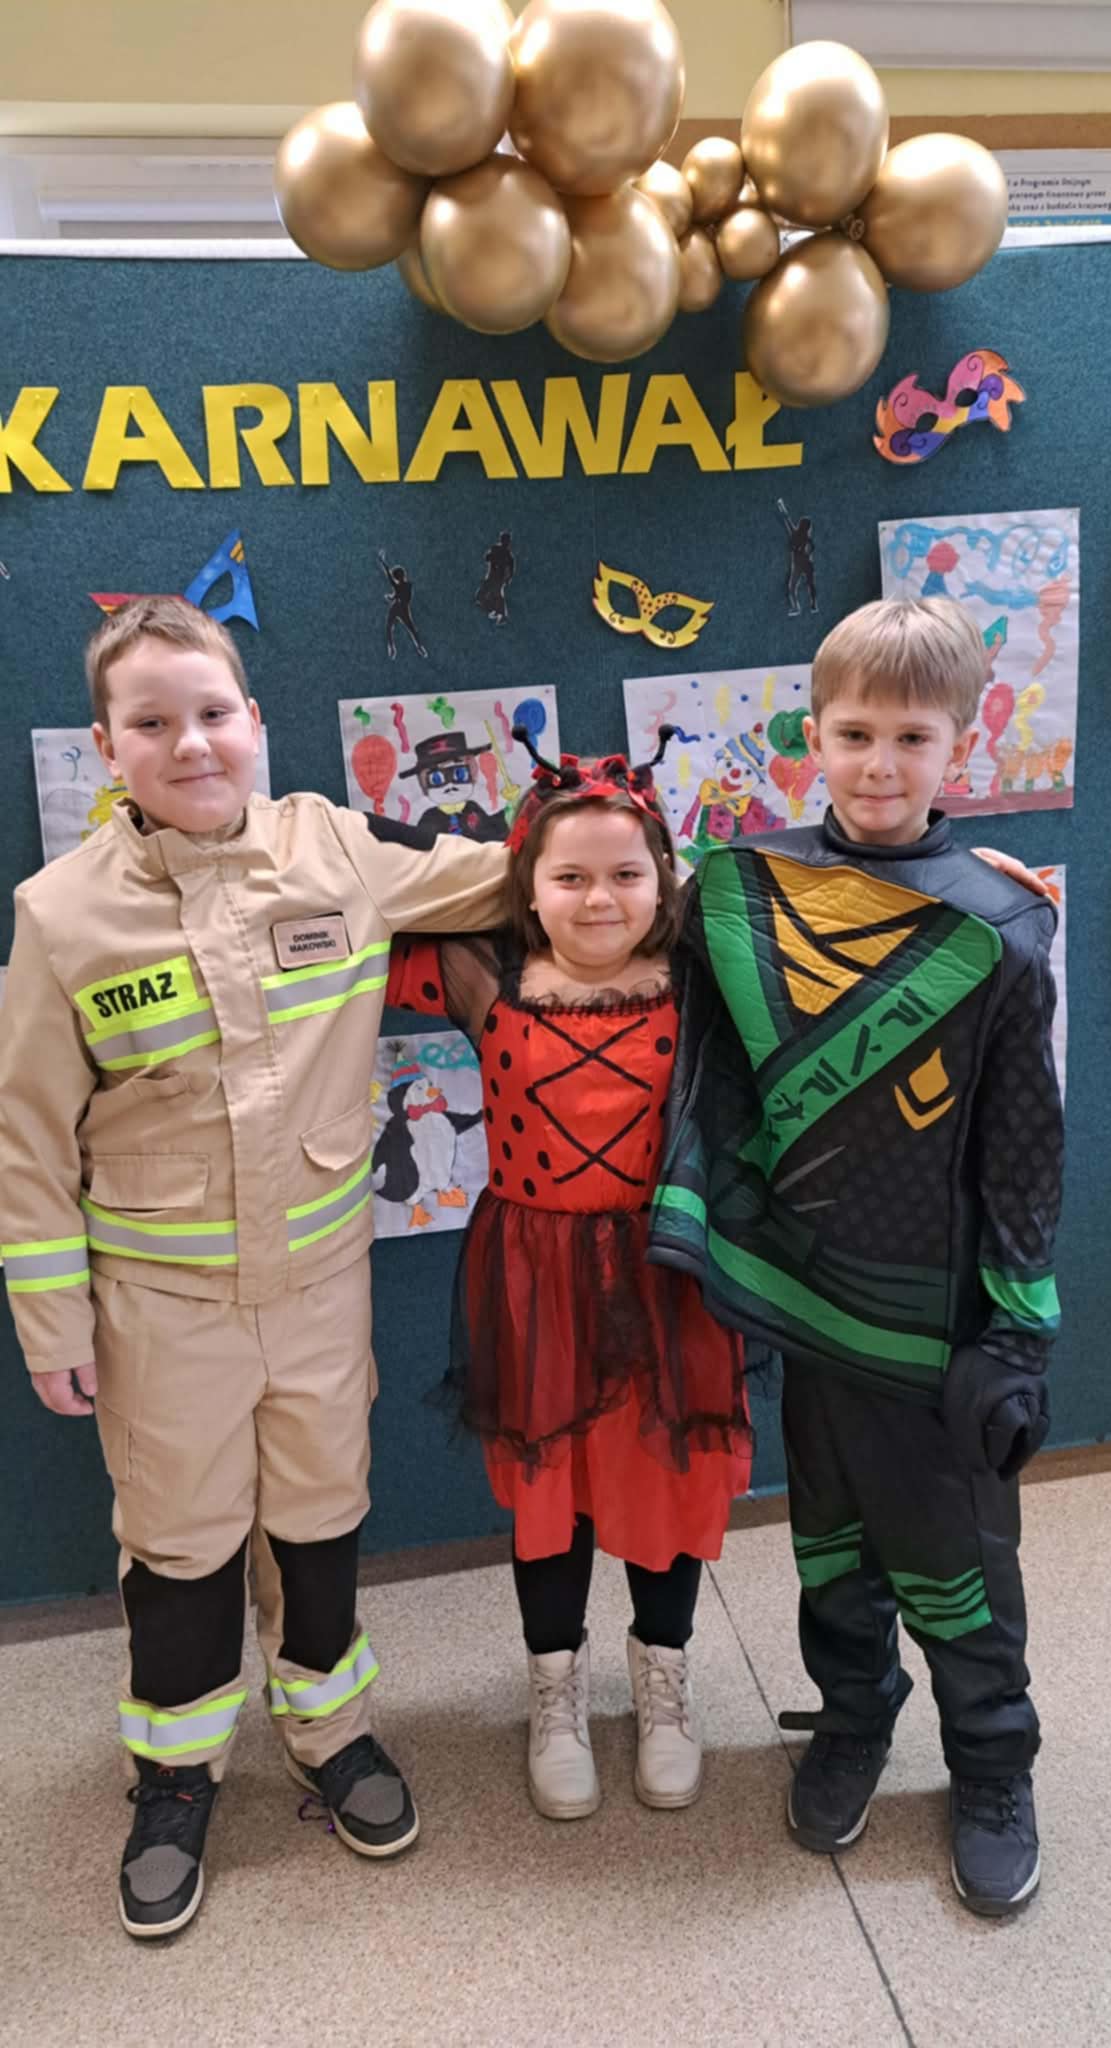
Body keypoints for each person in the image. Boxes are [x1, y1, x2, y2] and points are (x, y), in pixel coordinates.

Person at [0, 596, 507, 1940]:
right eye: (152, 721)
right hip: (160, 1310)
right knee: (181, 1543)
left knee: (323, 1514)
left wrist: (716, 881)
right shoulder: (61, 916)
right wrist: (52, 1320)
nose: (191, 743)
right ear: (108, 747)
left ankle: (331, 1732)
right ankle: (175, 1775)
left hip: (323, 1287)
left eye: (213, 712)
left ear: (255, 720)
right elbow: (26, 1135)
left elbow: (534, 874)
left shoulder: (337, 849)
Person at [649, 598, 1063, 1918]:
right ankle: (853, 1716)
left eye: (912, 737)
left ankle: (992, 1762)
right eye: (855, 733)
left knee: (960, 1562)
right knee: (829, 1542)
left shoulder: (1001, 927)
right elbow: (693, 1049)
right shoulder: (736, 891)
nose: (881, 764)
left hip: (938, 1323)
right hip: (807, 1301)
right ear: (812, 735)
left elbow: (1023, 1147)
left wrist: (1018, 1331)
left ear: (961, 746)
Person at [384, 729, 752, 1821]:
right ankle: (556, 1690)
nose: (600, 899)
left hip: (669, 1268)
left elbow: (837, 914)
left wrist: (976, 877)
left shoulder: (706, 974)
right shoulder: (483, 972)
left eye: (627, 873)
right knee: (551, 1491)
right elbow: (344, 908)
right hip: (534, 1276)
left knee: (665, 1474)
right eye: (571, 876)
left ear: (666, 878)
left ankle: (663, 1677)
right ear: (527, 886)